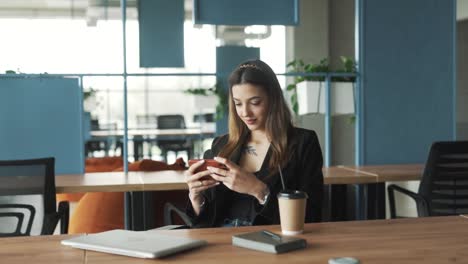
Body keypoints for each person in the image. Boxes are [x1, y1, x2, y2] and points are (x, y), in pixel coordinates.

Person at [185, 59, 324, 228]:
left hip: (273, 242)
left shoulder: (302, 143)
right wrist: (196, 198)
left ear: (273, 98)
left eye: (255, 102)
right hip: (223, 243)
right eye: (238, 103)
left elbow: (312, 215)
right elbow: (204, 223)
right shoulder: (221, 146)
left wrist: (259, 191)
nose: (245, 112)